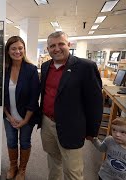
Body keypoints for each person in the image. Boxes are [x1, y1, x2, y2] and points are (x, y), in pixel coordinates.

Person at [40, 31, 103, 180]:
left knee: (73, 171)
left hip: (71, 127)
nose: (57, 48)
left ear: (69, 45)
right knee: (53, 160)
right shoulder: (45, 66)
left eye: (61, 44)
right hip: (47, 123)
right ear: (47, 49)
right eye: (52, 46)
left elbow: (95, 102)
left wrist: (92, 130)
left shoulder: (85, 67)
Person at [3, 36, 40, 180]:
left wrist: (25, 120)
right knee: (11, 141)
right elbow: (2, 96)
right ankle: (13, 167)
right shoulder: (4, 69)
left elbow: (34, 97)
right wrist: (8, 115)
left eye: (20, 48)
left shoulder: (31, 70)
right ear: (8, 51)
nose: (17, 51)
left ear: (24, 49)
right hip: (8, 116)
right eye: (13, 48)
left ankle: (22, 170)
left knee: (24, 142)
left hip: (27, 116)